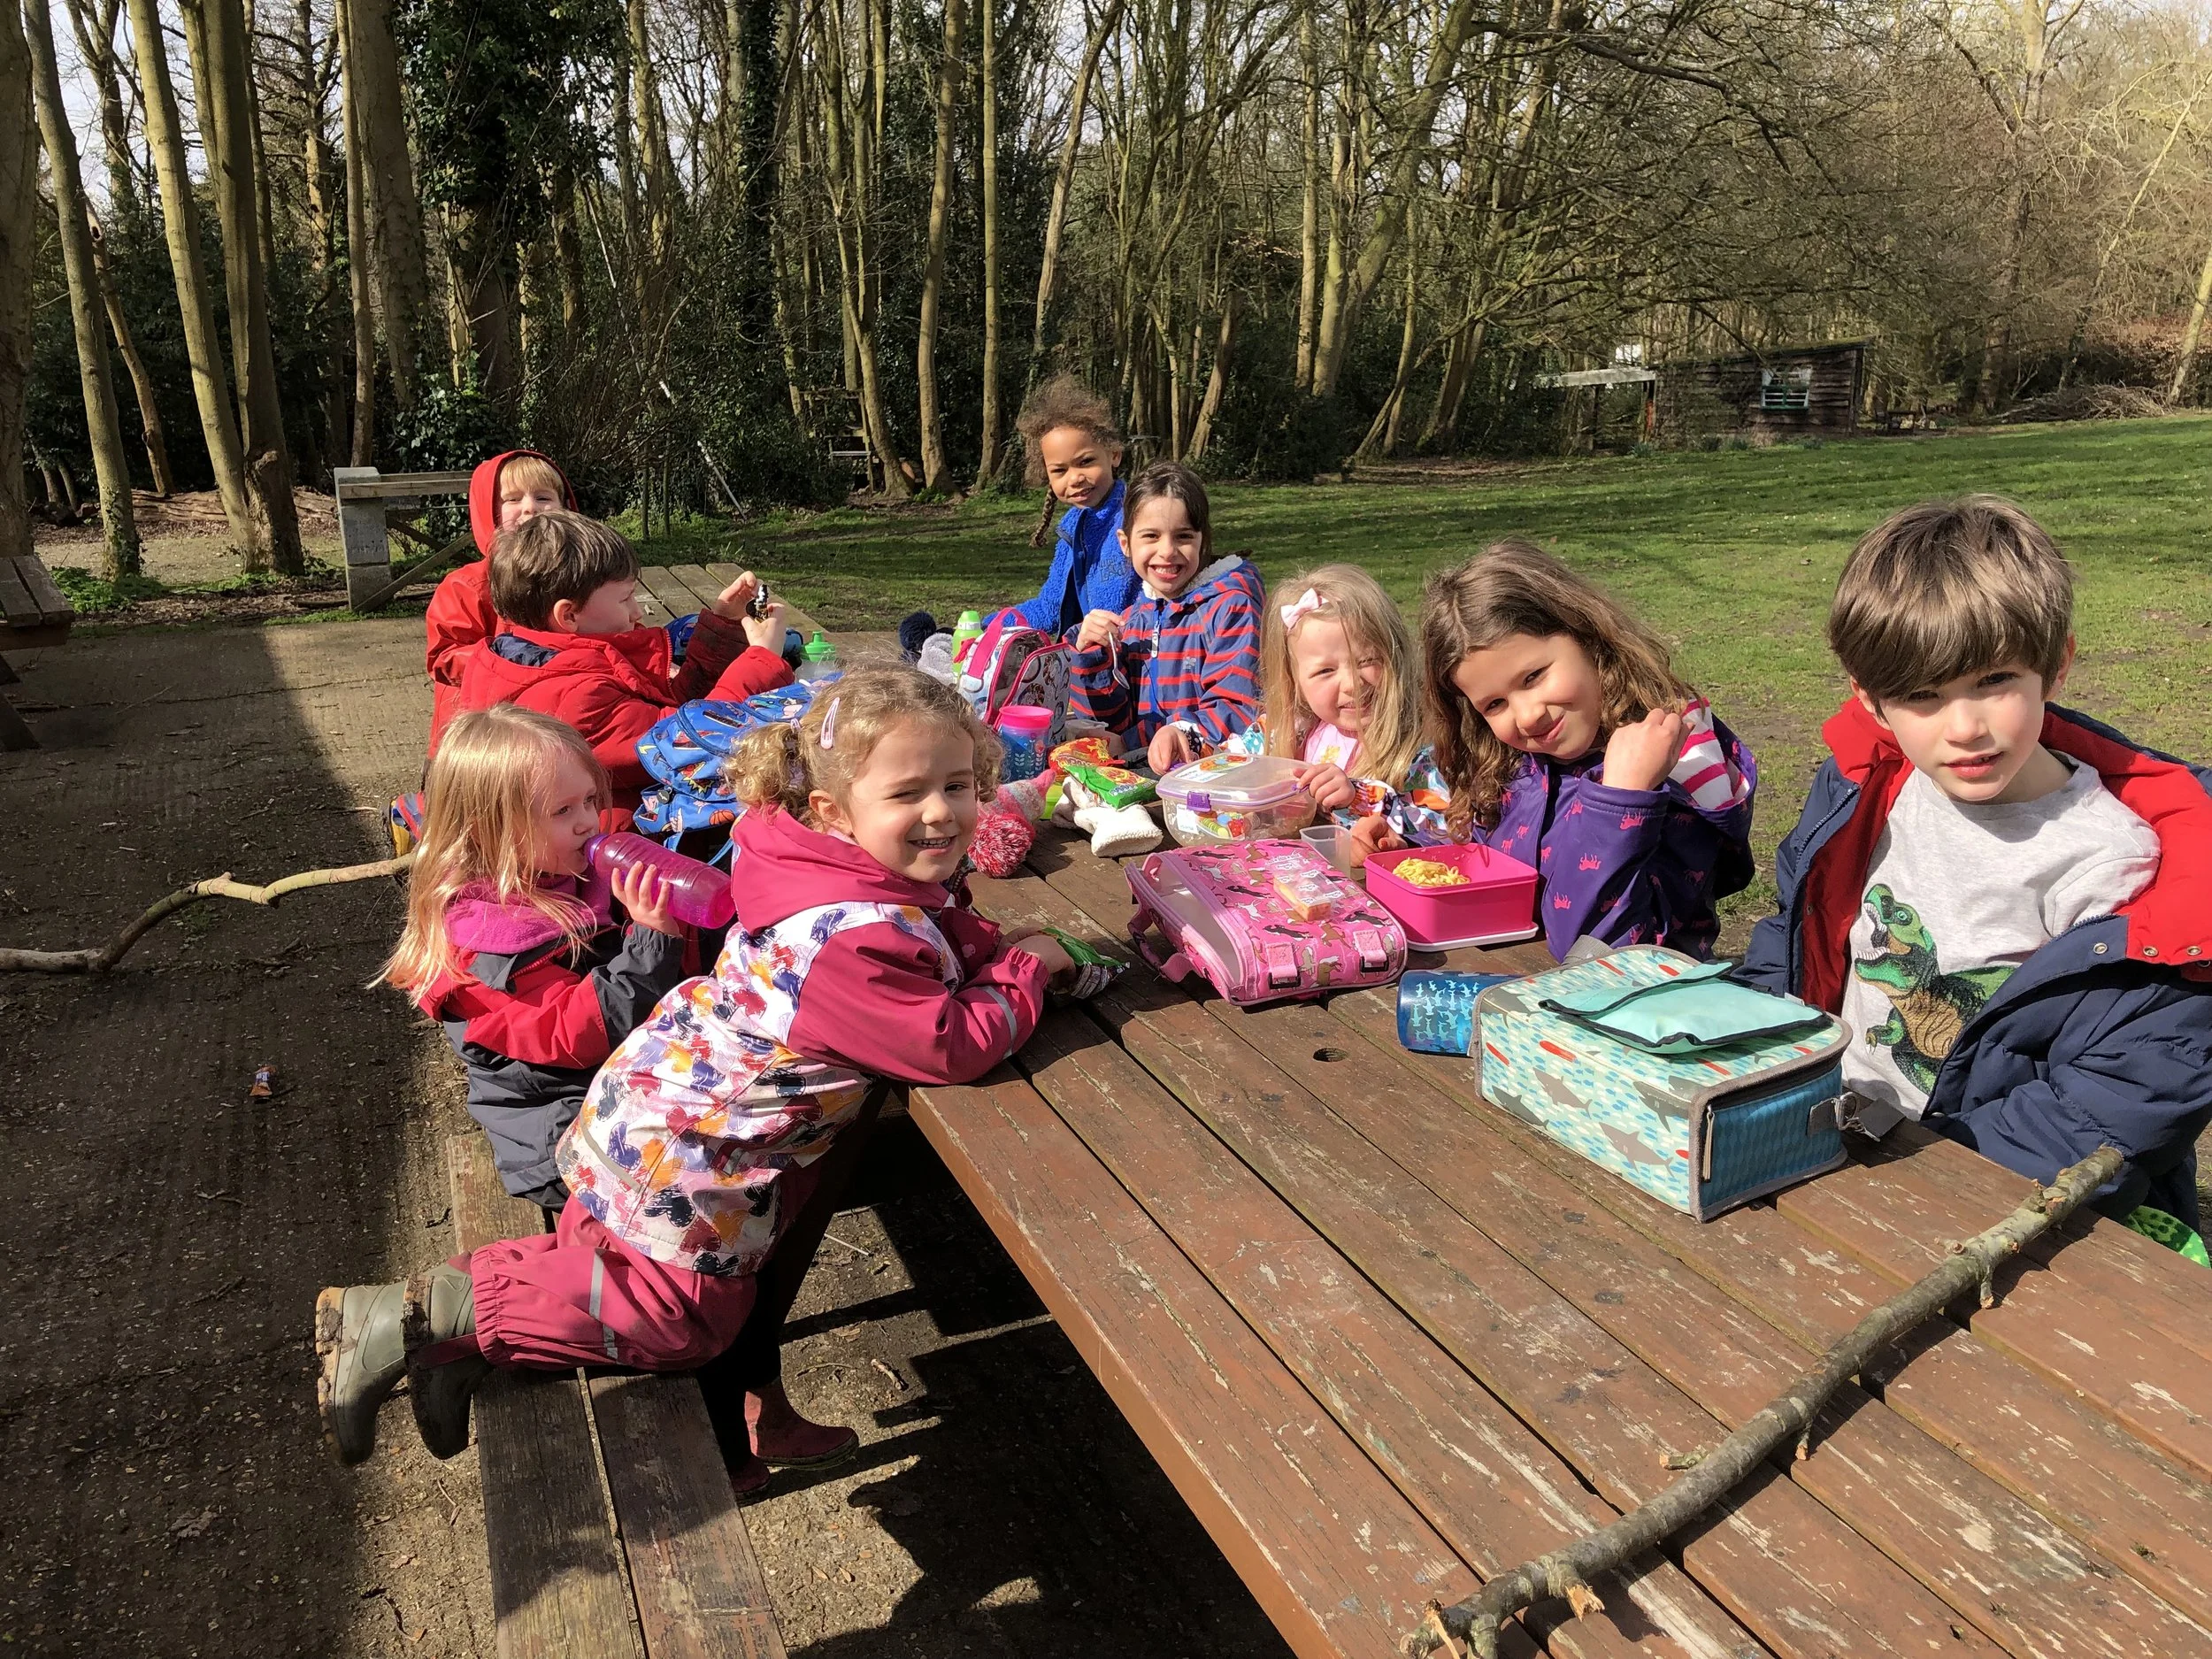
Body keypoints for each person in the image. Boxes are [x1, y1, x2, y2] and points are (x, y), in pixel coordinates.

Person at [316, 668, 1083, 1492]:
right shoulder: (847, 933)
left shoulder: (813, 867)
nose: (942, 811)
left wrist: (986, 947)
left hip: (650, 1125)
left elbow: (926, 920)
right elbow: (947, 1046)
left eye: (959, 785)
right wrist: (1024, 975)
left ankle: (452, 1343)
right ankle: (417, 1317)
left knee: (667, 1269)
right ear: (831, 811)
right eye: (912, 792)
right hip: (684, 1159)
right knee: (685, 1319)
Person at [1740, 497, 2212, 1244]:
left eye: (1994, 680)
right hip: (1827, 1139)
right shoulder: (1868, 792)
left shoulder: (2118, 870)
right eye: (1922, 696)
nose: (1964, 729)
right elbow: (1799, 938)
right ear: (1872, 701)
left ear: (2055, 665)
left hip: (1978, 1198)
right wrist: (1746, 1040)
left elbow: (2116, 1097)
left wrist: (1931, 1183)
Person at [1354, 539, 1755, 960]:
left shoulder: (1668, 769)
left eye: (1533, 677)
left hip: (1646, 1011)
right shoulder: (1516, 764)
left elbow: (1602, 954)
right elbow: (1500, 863)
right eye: (1494, 704)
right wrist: (1420, 854)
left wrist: (1622, 799)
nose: (1527, 716)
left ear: (1589, 639)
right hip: (1523, 986)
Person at [381, 705, 695, 1209]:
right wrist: (653, 943)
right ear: (490, 832)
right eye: (563, 811)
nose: (589, 822)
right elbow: (574, 1034)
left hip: (609, 1084)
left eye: (590, 800)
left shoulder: (551, 868)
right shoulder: (488, 944)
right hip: (559, 1139)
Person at [457, 511, 793, 810]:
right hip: (616, 854)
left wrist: (723, 626)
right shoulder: (577, 697)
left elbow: (667, 714)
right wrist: (761, 660)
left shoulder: (519, 660)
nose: (636, 613)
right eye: (625, 598)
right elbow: (688, 743)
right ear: (569, 615)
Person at [1068, 462, 1264, 774]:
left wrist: (1141, 740)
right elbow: (1112, 724)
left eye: (1183, 536)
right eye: (1151, 536)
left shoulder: (1231, 606)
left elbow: (1238, 709)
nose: (1168, 551)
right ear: (1126, 544)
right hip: (1148, 773)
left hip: (1214, 778)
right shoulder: (1136, 617)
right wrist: (1094, 657)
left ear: (1203, 539)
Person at [1208, 563, 1423, 820]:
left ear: (1396, 656)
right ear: (1294, 683)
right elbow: (1225, 761)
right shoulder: (1292, 730)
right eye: (1325, 671)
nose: (1353, 684)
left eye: (1367, 661)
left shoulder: (1420, 741)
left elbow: (1445, 822)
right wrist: (1187, 742)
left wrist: (1358, 798)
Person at [426, 450, 576, 751]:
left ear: (566, 508)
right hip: (480, 737)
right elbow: (444, 657)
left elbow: (619, 625)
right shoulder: (466, 586)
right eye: (513, 499)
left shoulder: (582, 576)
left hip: (560, 724)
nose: (530, 509)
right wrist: (514, 659)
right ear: (490, 510)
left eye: (543, 498)